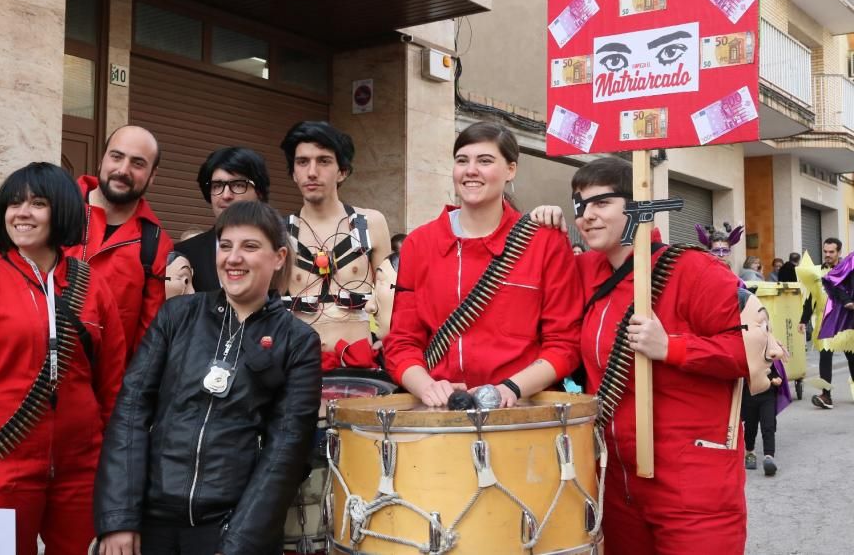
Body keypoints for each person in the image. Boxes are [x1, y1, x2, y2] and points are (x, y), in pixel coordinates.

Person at [531, 156, 748, 554]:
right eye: (579, 206)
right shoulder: (584, 272)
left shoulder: (694, 270)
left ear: (637, 205)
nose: (586, 217)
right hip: (616, 479)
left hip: (692, 484)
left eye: (601, 203)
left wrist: (673, 348)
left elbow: (749, 356)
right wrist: (543, 225)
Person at [0, 162, 126, 554]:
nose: (22, 213)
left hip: (81, 471)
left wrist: (115, 471)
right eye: (14, 204)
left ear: (61, 210)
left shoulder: (93, 285)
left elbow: (112, 386)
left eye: (38, 203)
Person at [93, 201, 321, 555]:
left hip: (229, 527)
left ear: (278, 257)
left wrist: (238, 545)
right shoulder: (177, 316)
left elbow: (286, 452)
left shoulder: (298, 341)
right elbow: (131, 412)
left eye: (249, 246)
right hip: (152, 523)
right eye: (225, 245)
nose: (233, 258)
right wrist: (119, 519)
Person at [383, 121, 582, 408]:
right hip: (439, 413)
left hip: (520, 411)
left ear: (511, 170)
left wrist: (511, 388)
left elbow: (564, 343)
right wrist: (428, 386)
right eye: (462, 160)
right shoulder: (419, 244)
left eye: (485, 161)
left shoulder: (543, 242)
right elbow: (402, 342)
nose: (471, 170)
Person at [280, 121, 392, 372]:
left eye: (323, 161)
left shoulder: (371, 223)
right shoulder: (279, 233)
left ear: (342, 171)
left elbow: (393, 296)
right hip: (300, 367)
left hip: (361, 366)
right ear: (293, 173)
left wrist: (389, 340)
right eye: (302, 162)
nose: (311, 172)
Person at [65, 125, 174, 360]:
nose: (123, 170)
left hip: (102, 390)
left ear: (152, 176)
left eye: (138, 163)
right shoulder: (57, 209)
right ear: (102, 160)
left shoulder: (157, 246)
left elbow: (148, 344)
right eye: (116, 157)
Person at [173, 147, 271, 292]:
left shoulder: (280, 250)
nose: (226, 195)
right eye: (217, 186)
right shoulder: (184, 254)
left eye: (238, 185)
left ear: (259, 192)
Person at [739, 289, 789, 477]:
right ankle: (750, 452)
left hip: (767, 393)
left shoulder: (769, 344)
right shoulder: (745, 345)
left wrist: (776, 380)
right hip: (749, 394)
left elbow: (777, 370)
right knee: (750, 427)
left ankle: (769, 456)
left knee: (769, 425)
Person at [810, 238, 854, 409]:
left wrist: (849, 302)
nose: (827, 255)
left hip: (847, 319)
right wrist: (802, 320)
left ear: (839, 252)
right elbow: (810, 297)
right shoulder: (817, 272)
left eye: (831, 252)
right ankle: (826, 395)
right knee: (825, 354)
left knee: (851, 356)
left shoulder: (848, 268)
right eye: (825, 251)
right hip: (828, 320)